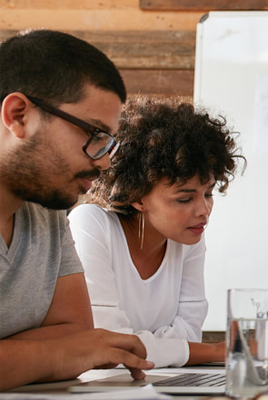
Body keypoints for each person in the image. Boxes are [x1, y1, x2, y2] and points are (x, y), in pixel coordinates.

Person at [0, 30, 153, 391]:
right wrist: (59, 353)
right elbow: (77, 349)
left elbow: (77, 334)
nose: (103, 164)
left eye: (109, 143)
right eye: (94, 135)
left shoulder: (48, 209)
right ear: (18, 115)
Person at [68, 97, 243, 368]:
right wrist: (214, 352)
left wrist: (152, 345)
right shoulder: (90, 224)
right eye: (184, 199)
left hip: (160, 384)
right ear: (137, 196)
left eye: (208, 193)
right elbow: (111, 347)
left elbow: (189, 334)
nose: (204, 211)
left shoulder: (189, 235)